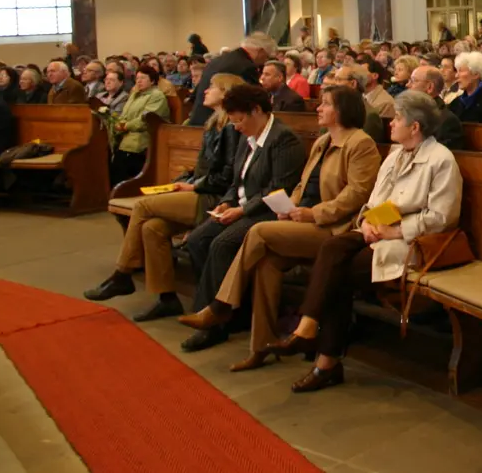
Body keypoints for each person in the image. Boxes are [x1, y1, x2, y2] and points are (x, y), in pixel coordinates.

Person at [260, 91, 462, 392]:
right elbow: (374, 200)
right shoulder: (395, 156)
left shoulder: (441, 160)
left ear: (415, 127)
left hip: (411, 242)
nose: (390, 124)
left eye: (396, 118)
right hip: (377, 232)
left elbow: (442, 217)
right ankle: (310, 334)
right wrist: (367, 222)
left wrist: (396, 231)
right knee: (332, 248)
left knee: (339, 272)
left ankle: (322, 357)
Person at [177, 86, 382, 368]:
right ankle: (260, 347)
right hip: (303, 220)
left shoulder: (361, 143)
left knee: (258, 231)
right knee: (266, 264)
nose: (318, 109)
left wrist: (312, 213)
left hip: (333, 228)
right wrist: (286, 209)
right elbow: (301, 184)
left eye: (325, 104)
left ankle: (220, 306)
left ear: (342, 110)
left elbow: (357, 194)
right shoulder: (323, 142)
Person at [84, 74, 247, 319]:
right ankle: (166, 298)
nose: (205, 91)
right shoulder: (214, 123)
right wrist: (186, 180)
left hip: (215, 199)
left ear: (225, 93)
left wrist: (194, 186)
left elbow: (228, 175)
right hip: (202, 190)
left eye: (212, 87)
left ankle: (122, 275)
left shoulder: (232, 128)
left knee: (144, 206)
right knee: (152, 229)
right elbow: (206, 167)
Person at [177, 84, 307, 352]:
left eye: (238, 120)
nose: (235, 126)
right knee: (198, 239)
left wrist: (241, 210)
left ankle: (214, 323)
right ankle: (224, 311)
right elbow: (236, 181)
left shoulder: (283, 139)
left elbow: (278, 188)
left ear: (256, 110)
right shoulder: (246, 137)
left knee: (222, 244)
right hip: (242, 207)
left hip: (268, 212)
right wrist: (226, 202)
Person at [187, 33, 273, 125]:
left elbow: (195, 95)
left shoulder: (217, 60)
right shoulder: (246, 66)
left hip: (198, 119)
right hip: (219, 123)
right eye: (266, 56)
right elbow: (257, 101)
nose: (265, 61)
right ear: (260, 51)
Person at [109, 65, 171, 185]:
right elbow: (124, 115)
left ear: (152, 80)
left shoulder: (156, 95)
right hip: (126, 136)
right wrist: (118, 124)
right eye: (137, 78)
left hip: (144, 138)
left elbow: (146, 120)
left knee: (121, 162)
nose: (139, 81)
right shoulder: (134, 95)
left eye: (143, 78)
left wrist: (126, 126)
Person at [408, 65, 466, 150]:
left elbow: (439, 158)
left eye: (413, 81)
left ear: (430, 87)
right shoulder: (410, 113)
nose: (408, 85)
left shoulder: (447, 121)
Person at [326, 65, 387, 143]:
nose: (334, 84)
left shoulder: (369, 116)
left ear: (353, 84)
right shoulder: (334, 109)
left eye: (338, 79)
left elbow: (365, 148)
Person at [448, 52, 482, 123]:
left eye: (461, 71)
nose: (456, 76)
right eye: (457, 71)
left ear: (475, 74)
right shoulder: (455, 103)